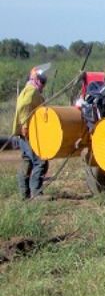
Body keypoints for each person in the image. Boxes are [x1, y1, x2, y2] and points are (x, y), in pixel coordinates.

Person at [12, 66, 49, 199]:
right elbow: (24, 106)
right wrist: (25, 125)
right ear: (37, 79)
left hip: (25, 132)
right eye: (42, 80)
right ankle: (36, 193)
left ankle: (24, 193)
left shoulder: (30, 89)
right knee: (40, 161)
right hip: (27, 132)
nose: (43, 84)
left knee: (28, 161)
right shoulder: (32, 90)